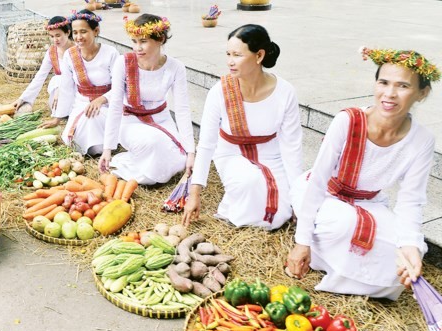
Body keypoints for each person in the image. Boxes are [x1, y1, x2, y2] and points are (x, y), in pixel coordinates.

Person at [286, 48, 439, 300]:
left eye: (403, 86)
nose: (389, 94)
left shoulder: (422, 140)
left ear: (422, 93)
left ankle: (348, 270)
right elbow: (318, 181)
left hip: (370, 202)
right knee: (342, 225)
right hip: (326, 194)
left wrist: (410, 245)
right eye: (383, 82)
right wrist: (302, 241)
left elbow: (411, 200)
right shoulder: (348, 121)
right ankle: (324, 257)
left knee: (402, 261)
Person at [182, 24, 303, 230]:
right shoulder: (219, 91)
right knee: (249, 181)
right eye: (228, 54)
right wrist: (194, 193)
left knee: (279, 215)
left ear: (259, 56)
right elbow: (207, 144)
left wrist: (299, 199)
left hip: (270, 154)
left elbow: (291, 146)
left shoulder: (285, 91)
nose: (230, 61)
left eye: (237, 55)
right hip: (231, 153)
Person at [98, 14, 195, 185]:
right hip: (130, 121)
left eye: (143, 41)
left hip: (162, 119)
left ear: (160, 39)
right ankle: (135, 165)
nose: (137, 48)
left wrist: (191, 152)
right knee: (154, 143)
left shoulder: (176, 67)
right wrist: (108, 149)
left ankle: (139, 160)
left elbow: (182, 110)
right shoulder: (123, 63)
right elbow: (115, 107)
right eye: (134, 41)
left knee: (180, 159)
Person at [51, 10, 118, 155]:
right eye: (75, 32)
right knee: (79, 129)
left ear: (96, 31)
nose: (78, 37)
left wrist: (101, 99)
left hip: (107, 104)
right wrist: (57, 118)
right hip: (81, 104)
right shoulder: (70, 55)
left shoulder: (111, 53)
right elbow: (66, 88)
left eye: (83, 32)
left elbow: (120, 87)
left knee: (93, 119)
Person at [12, 16, 74, 122]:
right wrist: (23, 98)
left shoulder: (77, 49)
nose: (55, 40)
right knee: (56, 106)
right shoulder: (51, 52)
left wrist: (62, 89)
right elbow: (40, 76)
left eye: (58, 35)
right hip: (59, 86)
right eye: (52, 36)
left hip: (77, 87)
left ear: (68, 33)